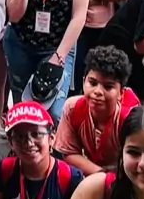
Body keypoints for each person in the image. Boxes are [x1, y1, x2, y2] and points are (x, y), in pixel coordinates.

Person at [52, 43, 138, 178]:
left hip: (126, 177)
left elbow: (137, 161)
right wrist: (103, 177)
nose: (97, 91)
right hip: (100, 175)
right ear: (83, 81)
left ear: (121, 92)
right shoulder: (72, 107)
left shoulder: (131, 118)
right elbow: (69, 153)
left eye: (108, 87)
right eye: (92, 83)